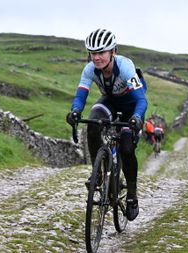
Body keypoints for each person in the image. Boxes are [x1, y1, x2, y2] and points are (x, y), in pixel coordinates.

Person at [66, 28, 147, 221]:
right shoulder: (89, 70)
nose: (96, 57)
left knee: (127, 148)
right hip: (110, 101)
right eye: (93, 53)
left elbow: (141, 100)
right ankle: (99, 174)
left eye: (101, 52)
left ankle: (132, 196)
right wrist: (75, 111)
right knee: (93, 123)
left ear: (113, 52)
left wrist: (136, 117)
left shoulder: (126, 67)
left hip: (131, 105)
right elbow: (81, 95)